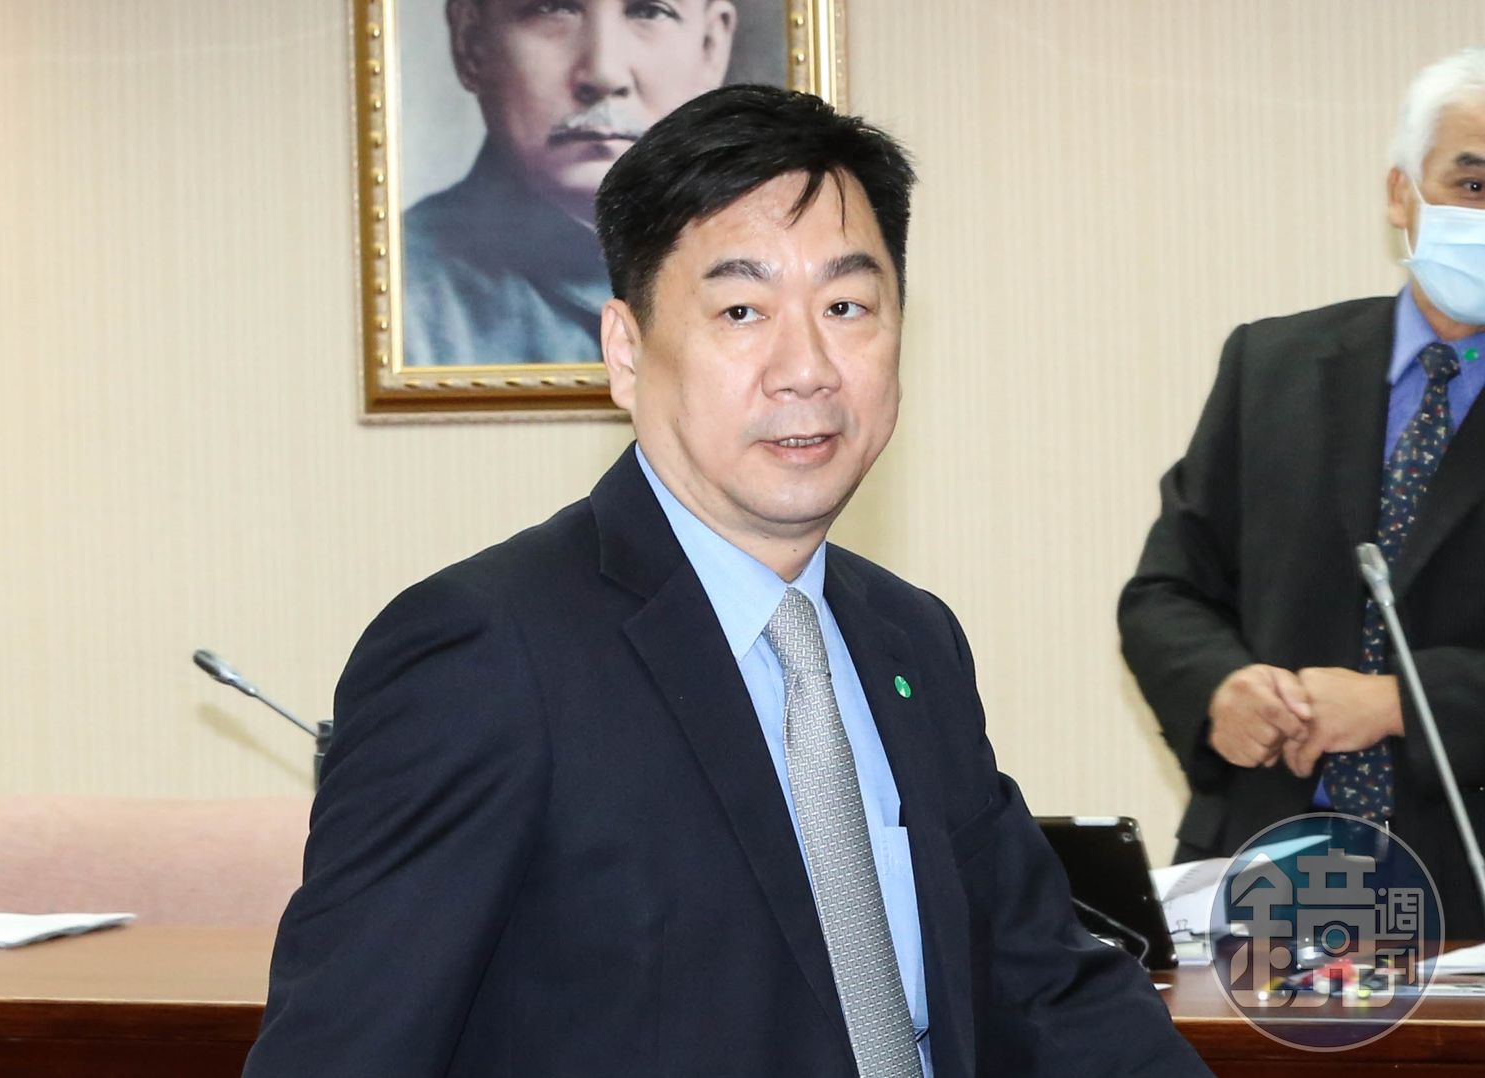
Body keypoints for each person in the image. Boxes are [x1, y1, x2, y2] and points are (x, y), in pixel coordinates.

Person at [249, 85, 1207, 1076]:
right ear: (625, 352)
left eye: (846, 307)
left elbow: (1038, 983)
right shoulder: (484, 651)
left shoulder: (910, 637)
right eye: (742, 310)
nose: (807, 368)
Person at [1120, 48, 1485, 938]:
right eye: (1472, 184)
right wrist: (1220, 687)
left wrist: (1398, 703)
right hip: (1268, 870)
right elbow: (1166, 593)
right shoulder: (1273, 365)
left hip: (1464, 887)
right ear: (1401, 193)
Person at [402, 0, 737, 366]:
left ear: (711, 47)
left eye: (649, 11)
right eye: (552, 8)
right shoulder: (400, 306)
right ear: (472, 43)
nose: (604, 73)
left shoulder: (757, 274)